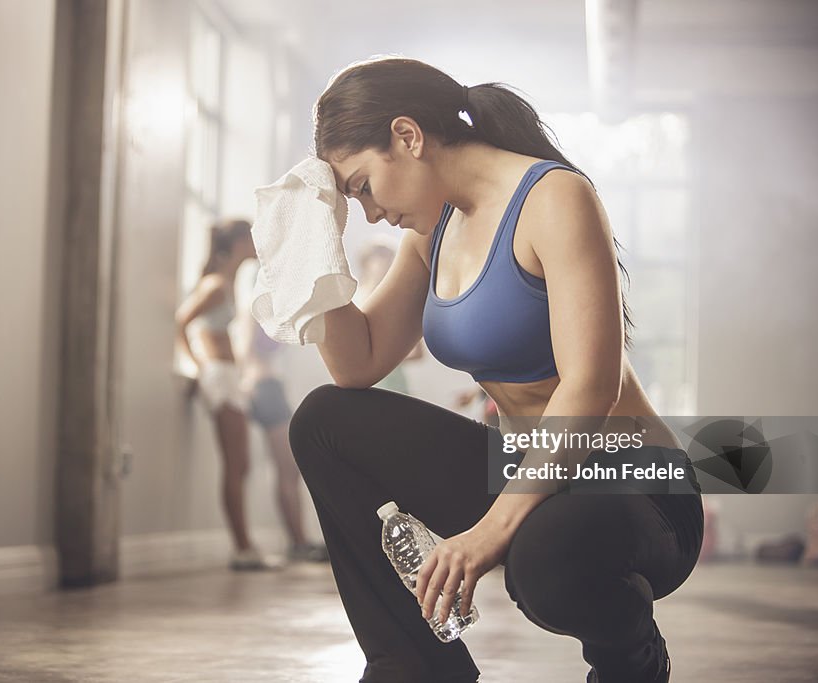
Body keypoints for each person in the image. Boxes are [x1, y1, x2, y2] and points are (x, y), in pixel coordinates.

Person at [287, 57, 702, 683]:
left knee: (544, 565)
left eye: (362, 186)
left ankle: (633, 659)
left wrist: (488, 534)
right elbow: (357, 364)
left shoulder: (553, 197)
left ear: (407, 136)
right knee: (323, 420)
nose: (367, 213)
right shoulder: (434, 231)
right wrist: (308, 251)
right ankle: (415, 667)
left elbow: (592, 385)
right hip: (529, 475)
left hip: (635, 480)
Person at [175, 219, 280, 571]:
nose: (256, 245)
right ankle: (242, 548)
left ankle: (244, 544)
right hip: (218, 375)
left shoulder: (229, 283)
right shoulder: (216, 284)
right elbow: (182, 320)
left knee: (242, 463)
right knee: (235, 464)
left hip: (229, 376)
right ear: (236, 243)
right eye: (251, 239)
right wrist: (196, 366)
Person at [234, 258, 330, 563]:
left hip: (268, 383)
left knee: (286, 468)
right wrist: (250, 377)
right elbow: (246, 339)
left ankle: (298, 540)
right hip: (264, 385)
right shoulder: (254, 298)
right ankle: (298, 542)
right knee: (287, 466)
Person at [355, 237, 424, 395]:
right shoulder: (353, 297)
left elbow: (417, 353)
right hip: (359, 387)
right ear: (367, 262)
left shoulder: (400, 302)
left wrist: (378, 360)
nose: (386, 263)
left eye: (389, 258)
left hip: (393, 386)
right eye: (380, 257)